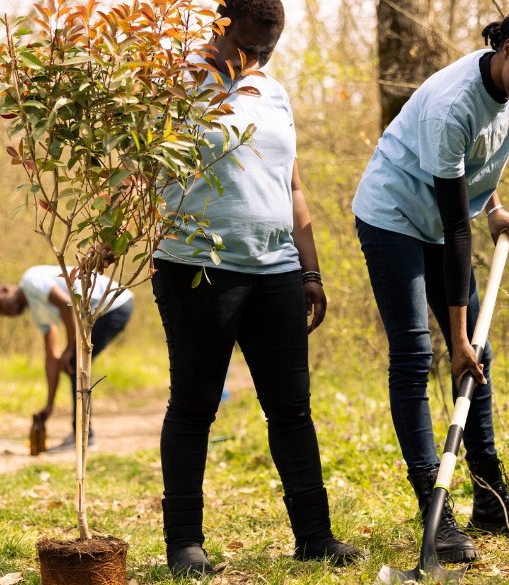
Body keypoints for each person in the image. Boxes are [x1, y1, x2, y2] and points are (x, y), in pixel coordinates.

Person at [351, 9, 509, 562]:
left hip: (439, 220)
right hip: (394, 217)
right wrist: (456, 339)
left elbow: (478, 163)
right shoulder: (453, 104)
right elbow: (457, 229)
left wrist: (494, 208)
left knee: (480, 352)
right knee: (415, 354)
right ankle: (436, 511)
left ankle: (490, 499)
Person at [152, 0, 363, 576]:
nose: (259, 58)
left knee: (291, 408)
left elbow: (292, 185)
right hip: (197, 267)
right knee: (194, 405)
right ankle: (184, 544)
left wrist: (309, 270)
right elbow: (139, 171)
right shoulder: (175, 84)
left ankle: (315, 536)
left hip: (276, 271)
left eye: (270, 48)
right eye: (249, 46)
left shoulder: (273, 92)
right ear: (221, 26)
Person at [0, 266, 134, 452]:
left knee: (74, 363)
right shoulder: (37, 313)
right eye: (3, 313)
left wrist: (70, 348)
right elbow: (52, 358)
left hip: (112, 304)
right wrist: (50, 404)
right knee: (73, 364)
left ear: (6, 290)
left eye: (2, 305)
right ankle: (83, 435)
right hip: (109, 310)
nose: (7, 312)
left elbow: (68, 304)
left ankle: (83, 436)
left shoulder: (31, 280)